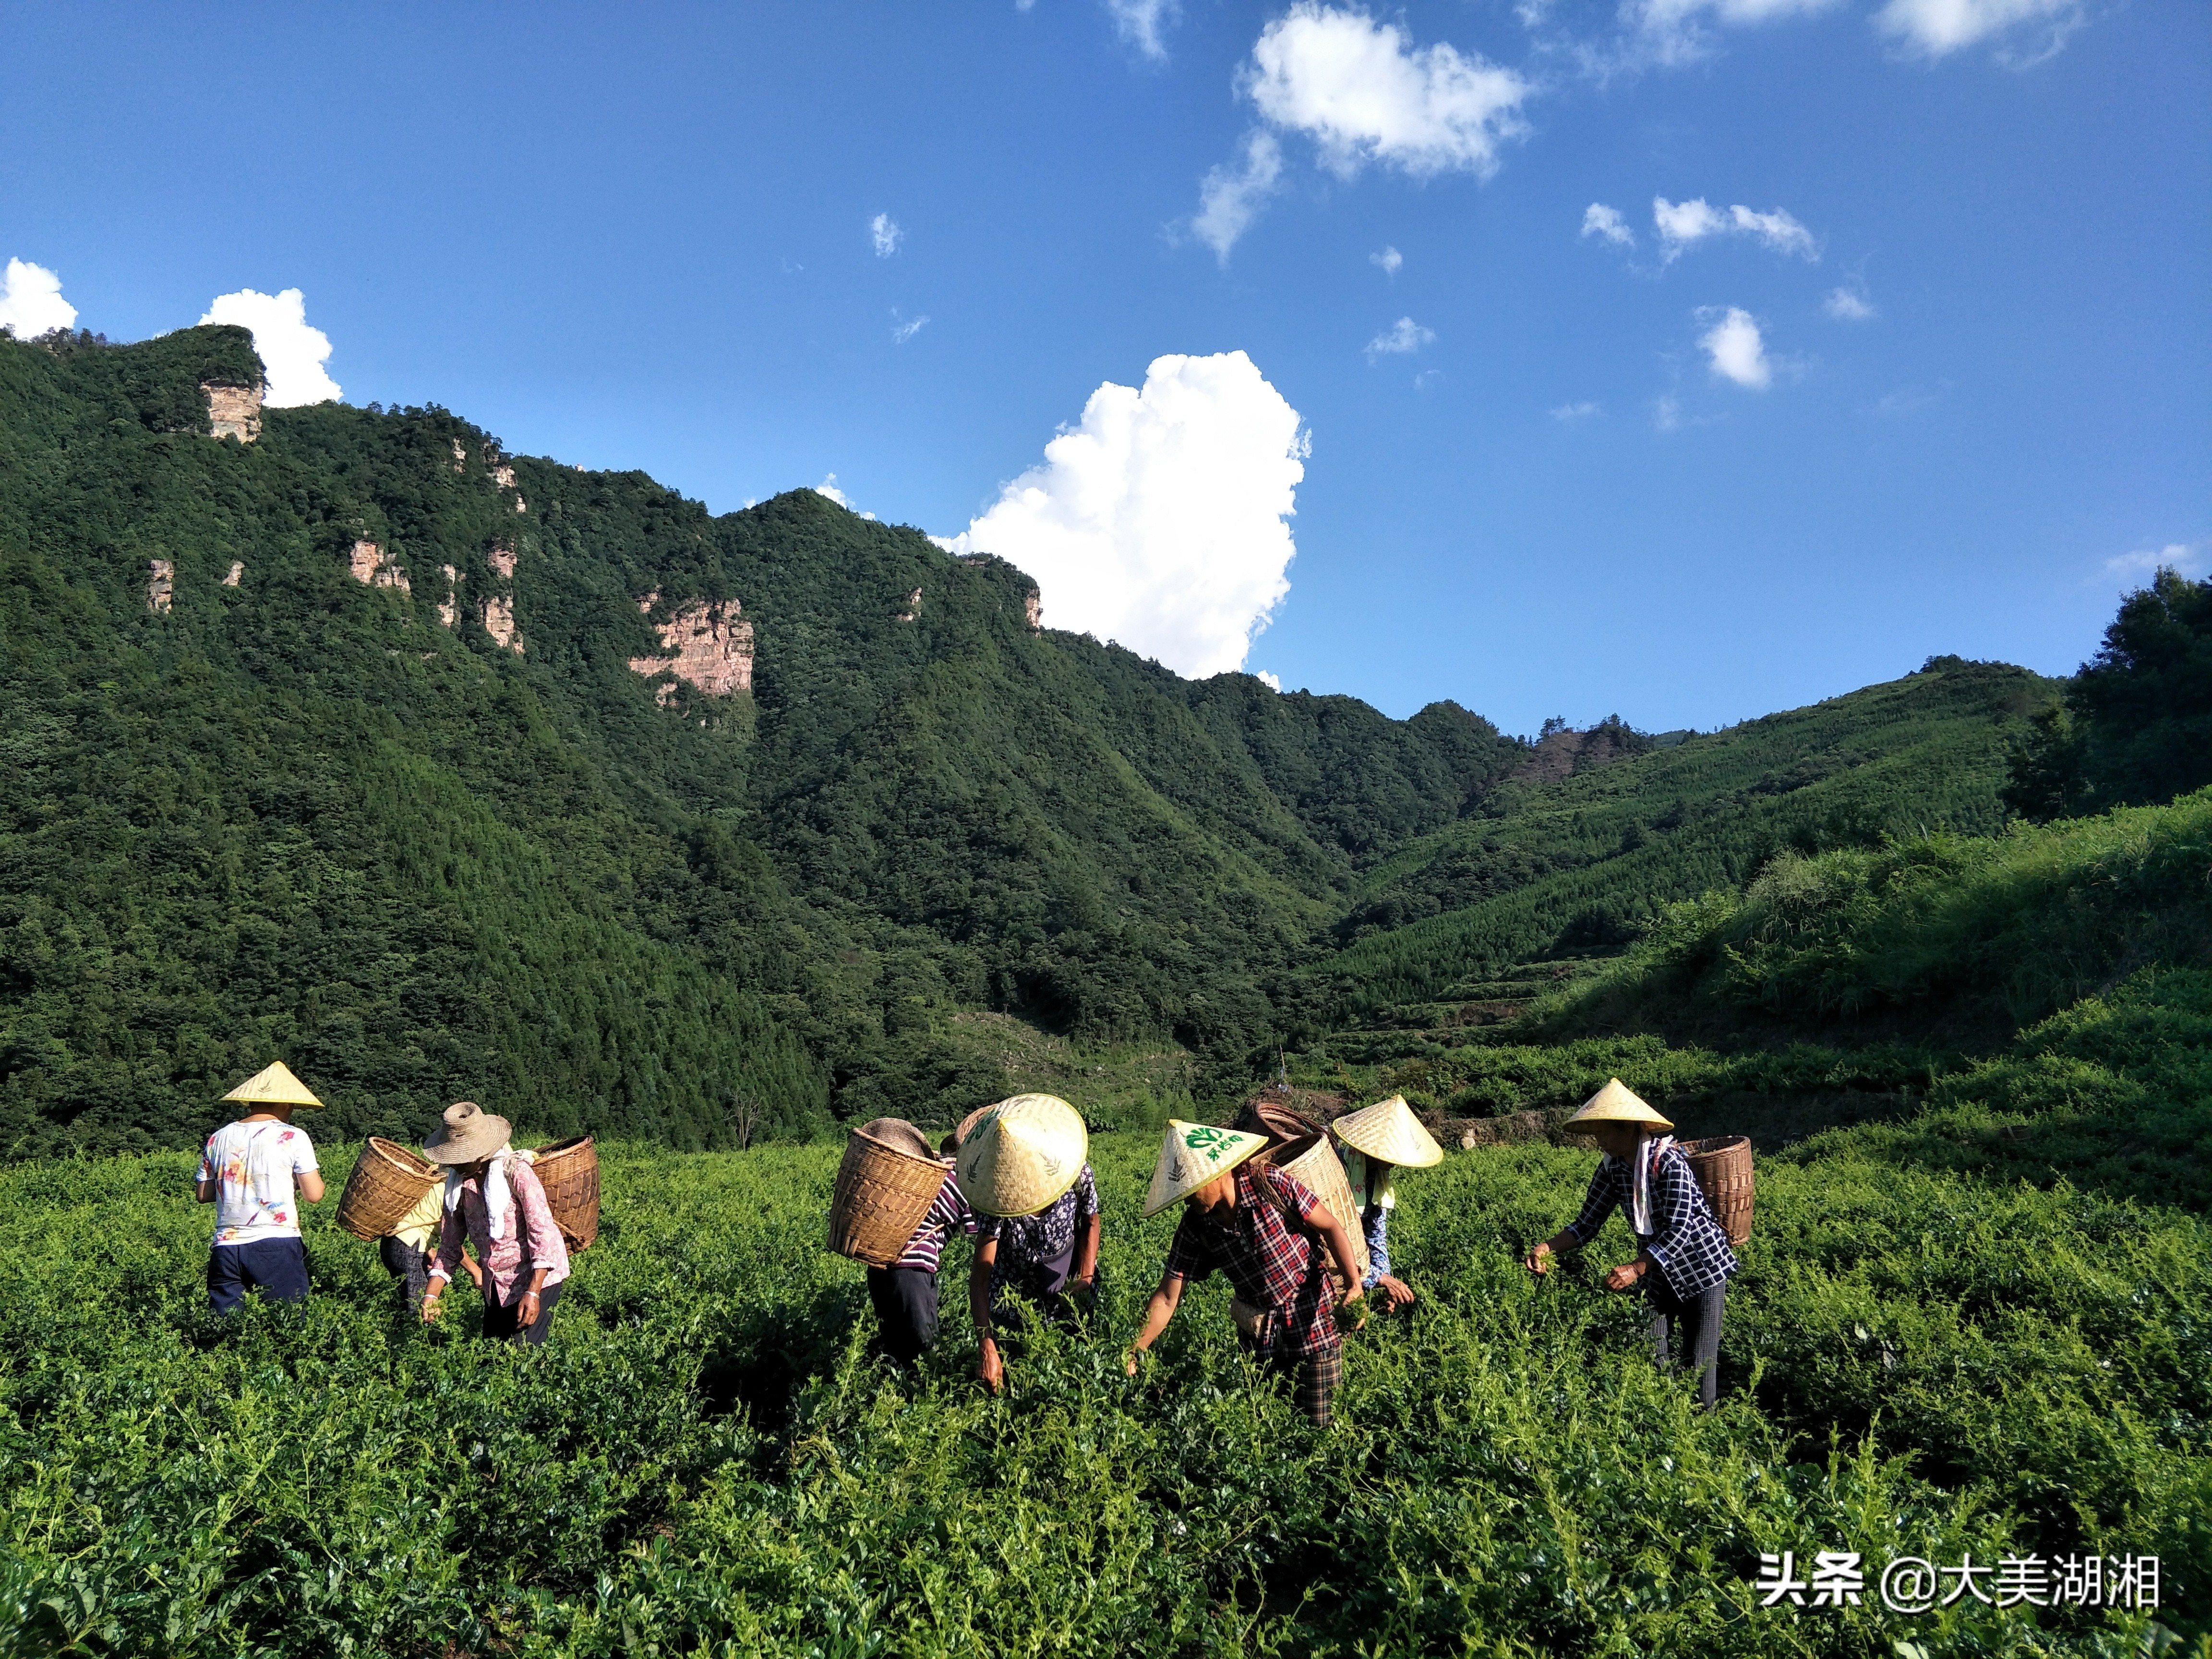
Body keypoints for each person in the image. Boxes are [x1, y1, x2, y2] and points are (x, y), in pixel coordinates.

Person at [1125, 1119, 1366, 1427]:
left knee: (1318, 1429)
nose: (1188, 1198)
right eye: (1183, 1193)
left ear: (1218, 1170)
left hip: (1314, 1324)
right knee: (1267, 1430)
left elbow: (1330, 1226)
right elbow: (1169, 1296)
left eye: (1194, 1188)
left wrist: (1354, 1286)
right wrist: (1136, 1347)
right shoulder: (1196, 1226)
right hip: (1260, 1337)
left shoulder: (1269, 1183)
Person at [1524, 1078, 1739, 1410]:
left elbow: (1680, 1230)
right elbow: (1587, 1222)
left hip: (1702, 1268)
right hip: (1657, 1271)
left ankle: (1703, 1426)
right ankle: (1667, 1420)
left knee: (1700, 1365)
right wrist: (1547, 1248)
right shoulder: (1613, 1168)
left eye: (1604, 1133)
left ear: (1627, 1129)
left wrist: (1634, 1269)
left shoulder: (1669, 1163)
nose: (1599, 1142)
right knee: (1652, 1350)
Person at [954, 1094, 1099, 1394]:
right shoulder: (998, 1198)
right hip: (1014, 1296)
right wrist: (987, 1345)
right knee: (1018, 1382)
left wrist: (1085, 1277)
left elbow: (1091, 1222)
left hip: (1067, 1284)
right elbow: (981, 1278)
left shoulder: (1074, 1173)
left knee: (1073, 1376)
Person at [419, 1101, 571, 1346]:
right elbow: (449, 1246)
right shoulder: (458, 1186)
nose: (454, 1164)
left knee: (522, 1351)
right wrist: (432, 1293)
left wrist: (533, 1292)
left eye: (461, 1158)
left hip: (535, 1274)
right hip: (495, 1283)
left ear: (480, 1155)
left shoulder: (516, 1173)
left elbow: (542, 1233)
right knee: (493, 1350)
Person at [195, 1061, 328, 1313]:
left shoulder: (218, 1137)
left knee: (226, 1325)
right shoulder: (293, 1136)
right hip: (275, 1241)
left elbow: (204, 1194)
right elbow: (314, 1194)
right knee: (287, 1320)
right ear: (286, 1104)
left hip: (225, 1245)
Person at [866, 1121, 976, 1367]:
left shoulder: (929, 1171)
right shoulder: (966, 1179)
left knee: (895, 1346)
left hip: (880, 1263)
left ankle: (887, 1397)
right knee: (924, 1352)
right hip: (912, 1269)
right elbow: (979, 1232)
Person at [1330, 1093, 1442, 1311]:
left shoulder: (1379, 1180)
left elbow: (1376, 1233)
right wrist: (1376, 1277)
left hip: (1356, 1265)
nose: (1394, 1162)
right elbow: (1330, 1237)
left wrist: (1384, 1279)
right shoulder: (1337, 1169)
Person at [380, 1175, 480, 1313]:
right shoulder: (457, 1190)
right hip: (408, 1245)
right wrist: (476, 1272)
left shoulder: (442, 1177)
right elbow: (452, 1244)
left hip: (391, 1243)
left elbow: (421, 1215)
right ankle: (416, 1334)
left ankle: (398, 1329)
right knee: (421, 1308)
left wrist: (429, 1250)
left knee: (407, 1302)